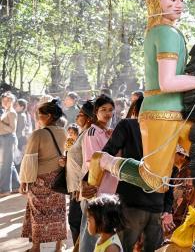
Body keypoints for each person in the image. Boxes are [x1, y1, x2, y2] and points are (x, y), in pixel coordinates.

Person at [90, 0, 195, 197]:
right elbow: (167, 83)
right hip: (161, 114)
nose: (179, 5)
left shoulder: (166, 32)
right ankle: (105, 161)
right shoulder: (165, 33)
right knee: (153, 180)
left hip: (180, 112)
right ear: (156, 0)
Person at [101, 94, 174, 252]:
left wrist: (90, 179)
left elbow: (107, 153)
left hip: (131, 205)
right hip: (157, 205)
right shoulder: (167, 131)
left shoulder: (128, 125)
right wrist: (168, 207)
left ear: (136, 109)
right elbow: (172, 171)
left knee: (123, 248)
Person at [18, 99, 67, 252]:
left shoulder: (38, 134)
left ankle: (36, 247)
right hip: (58, 179)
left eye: (39, 115)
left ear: (49, 116)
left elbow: (29, 160)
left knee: (37, 214)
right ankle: (59, 247)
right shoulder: (63, 131)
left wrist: (23, 182)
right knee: (59, 213)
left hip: (40, 180)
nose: (37, 118)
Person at [80, 94, 119, 252]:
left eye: (110, 110)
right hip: (96, 190)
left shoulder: (109, 133)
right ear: (96, 111)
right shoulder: (92, 133)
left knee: (102, 235)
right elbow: (92, 162)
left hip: (109, 190)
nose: (107, 113)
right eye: (103, 109)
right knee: (91, 235)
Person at [66, 100, 95, 247]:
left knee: (76, 221)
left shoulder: (88, 134)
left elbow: (88, 162)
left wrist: (80, 186)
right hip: (76, 186)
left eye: (80, 114)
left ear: (89, 117)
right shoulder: (83, 133)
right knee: (76, 221)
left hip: (80, 187)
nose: (77, 117)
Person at [169, 145, 195, 231]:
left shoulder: (187, 171)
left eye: (173, 154)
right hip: (183, 217)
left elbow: (178, 197)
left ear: (182, 156)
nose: (171, 156)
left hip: (180, 220)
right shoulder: (186, 170)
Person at [0, 91, 20, 196]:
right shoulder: (5, 111)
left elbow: (12, 129)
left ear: (12, 101)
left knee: (5, 165)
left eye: (8, 100)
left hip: (8, 139)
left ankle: (5, 190)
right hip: (4, 138)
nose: (5, 101)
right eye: (4, 99)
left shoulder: (12, 112)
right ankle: (17, 186)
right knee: (8, 164)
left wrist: (1, 123)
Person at [14, 98, 33, 167]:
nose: (15, 106)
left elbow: (19, 130)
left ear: (22, 107)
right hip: (20, 138)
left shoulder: (21, 116)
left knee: (18, 158)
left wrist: (15, 140)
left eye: (17, 105)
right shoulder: (20, 114)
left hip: (19, 139)